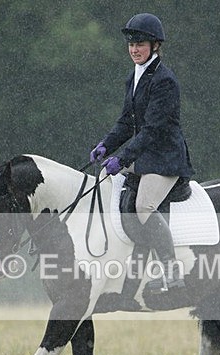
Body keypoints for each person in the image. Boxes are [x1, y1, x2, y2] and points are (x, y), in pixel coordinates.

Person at [89, 13, 194, 296]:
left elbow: (152, 130)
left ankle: (172, 273)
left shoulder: (165, 81)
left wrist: (122, 159)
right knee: (103, 181)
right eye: (131, 44)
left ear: (155, 45)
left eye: (141, 44)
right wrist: (105, 146)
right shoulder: (133, 77)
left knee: (144, 206)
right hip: (144, 156)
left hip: (165, 159)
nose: (134, 49)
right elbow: (126, 123)